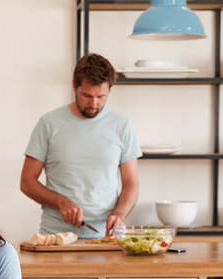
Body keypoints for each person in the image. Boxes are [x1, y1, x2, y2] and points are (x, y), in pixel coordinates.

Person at [20, 52, 142, 238]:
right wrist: (60, 202)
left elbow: (131, 183)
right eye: (87, 96)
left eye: (101, 96)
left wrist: (120, 214)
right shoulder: (49, 123)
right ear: (74, 86)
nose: (94, 103)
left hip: (105, 238)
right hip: (56, 237)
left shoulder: (122, 125)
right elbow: (27, 182)